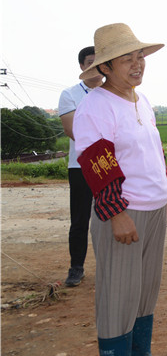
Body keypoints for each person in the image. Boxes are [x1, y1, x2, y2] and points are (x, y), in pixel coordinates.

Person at [73, 23, 167, 356]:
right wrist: (116, 213)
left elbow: (153, 151)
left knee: (145, 289)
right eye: (126, 60)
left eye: (140, 57)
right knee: (118, 295)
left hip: (152, 208)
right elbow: (96, 162)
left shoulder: (142, 100)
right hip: (123, 212)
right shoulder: (96, 106)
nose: (137, 65)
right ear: (104, 67)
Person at [58, 45, 104, 287]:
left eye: (99, 61)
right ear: (81, 67)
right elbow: (72, 129)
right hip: (82, 167)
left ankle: (111, 267)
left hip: (115, 166)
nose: (94, 66)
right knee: (80, 218)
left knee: (113, 215)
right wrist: (103, 153)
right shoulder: (70, 94)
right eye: (89, 62)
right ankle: (76, 266)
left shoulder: (117, 93)